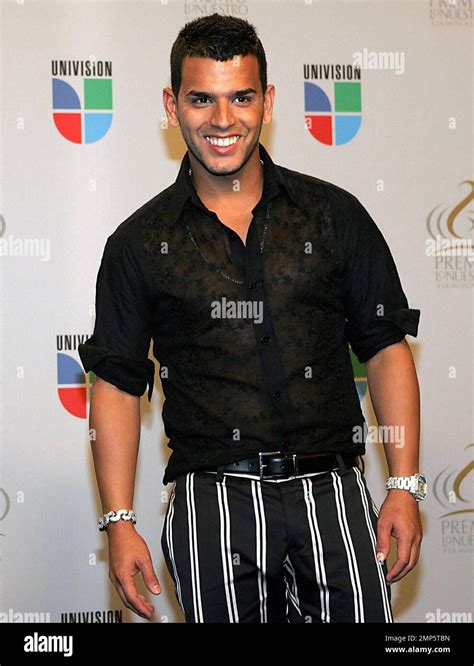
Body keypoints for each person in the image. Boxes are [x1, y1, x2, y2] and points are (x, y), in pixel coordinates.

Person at [78, 13, 425, 624]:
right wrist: (119, 522)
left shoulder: (334, 216)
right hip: (211, 501)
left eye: (241, 97)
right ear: (171, 104)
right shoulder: (138, 243)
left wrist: (403, 484)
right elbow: (116, 385)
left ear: (268, 102)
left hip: (333, 496)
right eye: (201, 99)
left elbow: (384, 348)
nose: (221, 120)